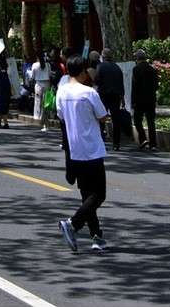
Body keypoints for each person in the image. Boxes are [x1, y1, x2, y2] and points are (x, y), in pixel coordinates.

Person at [55, 56, 111, 253]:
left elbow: (61, 116)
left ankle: (97, 237)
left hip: (74, 150)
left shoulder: (61, 93)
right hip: (91, 149)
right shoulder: (88, 93)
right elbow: (103, 117)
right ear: (81, 72)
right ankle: (73, 223)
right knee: (99, 195)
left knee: (87, 195)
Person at [94, 48, 129, 151]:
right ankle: (116, 143)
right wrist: (122, 98)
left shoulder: (100, 66)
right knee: (116, 120)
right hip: (116, 95)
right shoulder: (117, 67)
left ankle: (101, 140)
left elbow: (97, 81)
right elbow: (121, 84)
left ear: (102, 56)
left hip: (104, 95)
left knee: (101, 118)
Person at [132, 46, 159, 150]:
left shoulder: (136, 69)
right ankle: (153, 143)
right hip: (151, 99)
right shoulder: (152, 69)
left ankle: (143, 138)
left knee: (137, 120)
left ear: (138, 58)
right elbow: (156, 85)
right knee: (151, 122)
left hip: (139, 100)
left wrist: (133, 100)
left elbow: (135, 86)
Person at [30, 50, 52, 127]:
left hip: (39, 83)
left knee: (38, 101)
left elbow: (32, 76)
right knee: (46, 101)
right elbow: (49, 74)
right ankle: (46, 116)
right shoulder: (48, 65)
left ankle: (38, 117)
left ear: (37, 57)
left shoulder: (35, 65)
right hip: (47, 83)